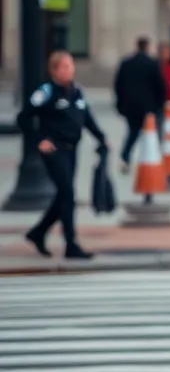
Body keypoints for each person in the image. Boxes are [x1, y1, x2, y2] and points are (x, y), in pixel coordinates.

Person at [18, 51, 109, 260]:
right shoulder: (46, 92)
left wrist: (101, 138)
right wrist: (39, 139)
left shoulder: (77, 91)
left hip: (72, 149)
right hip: (54, 150)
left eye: (71, 66)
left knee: (64, 195)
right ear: (54, 70)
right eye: (64, 67)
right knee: (67, 193)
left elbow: (86, 118)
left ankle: (38, 232)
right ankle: (71, 244)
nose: (69, 70)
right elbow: (24, 118)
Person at [114, 36, 166, 174]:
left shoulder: (126, 63)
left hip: (131, 106)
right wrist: (160, 104)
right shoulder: (152, 63)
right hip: (149, 107)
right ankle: (151, 160)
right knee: (151, 136)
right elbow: (159, 86)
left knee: (132, 133)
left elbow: (118, 85)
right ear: (147, 47)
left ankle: (125, 157)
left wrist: (120, 104)